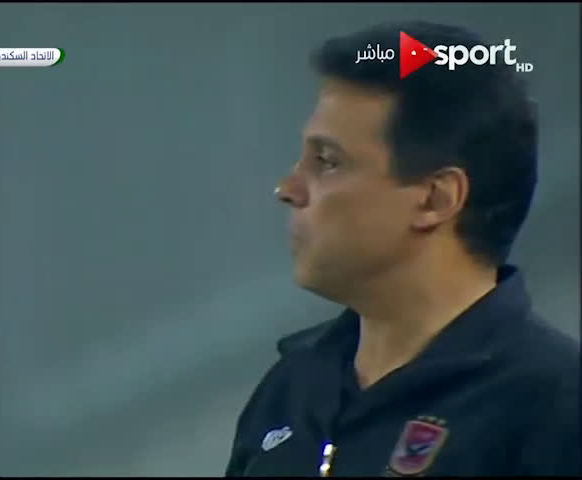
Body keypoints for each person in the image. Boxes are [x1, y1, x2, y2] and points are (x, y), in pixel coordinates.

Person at [224, 21, 579, 477]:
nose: (288, 188)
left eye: (327, 161)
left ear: (436, 199)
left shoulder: (555, 406)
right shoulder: (291, 387)